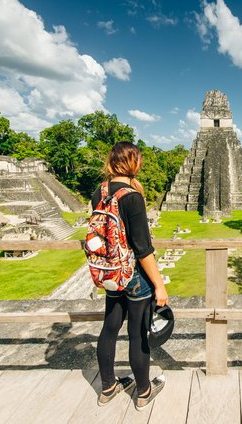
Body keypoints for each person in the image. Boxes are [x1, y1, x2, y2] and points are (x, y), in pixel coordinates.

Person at [92, 141, 169, 410]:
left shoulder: (99, 192)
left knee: (109, 329)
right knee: (138, 335)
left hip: (110, 272)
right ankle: (144, 391)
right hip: (133, 275)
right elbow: (143, 248)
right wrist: (159, 285)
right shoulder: (132, 197)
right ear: (134, 162)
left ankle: (107, 386)